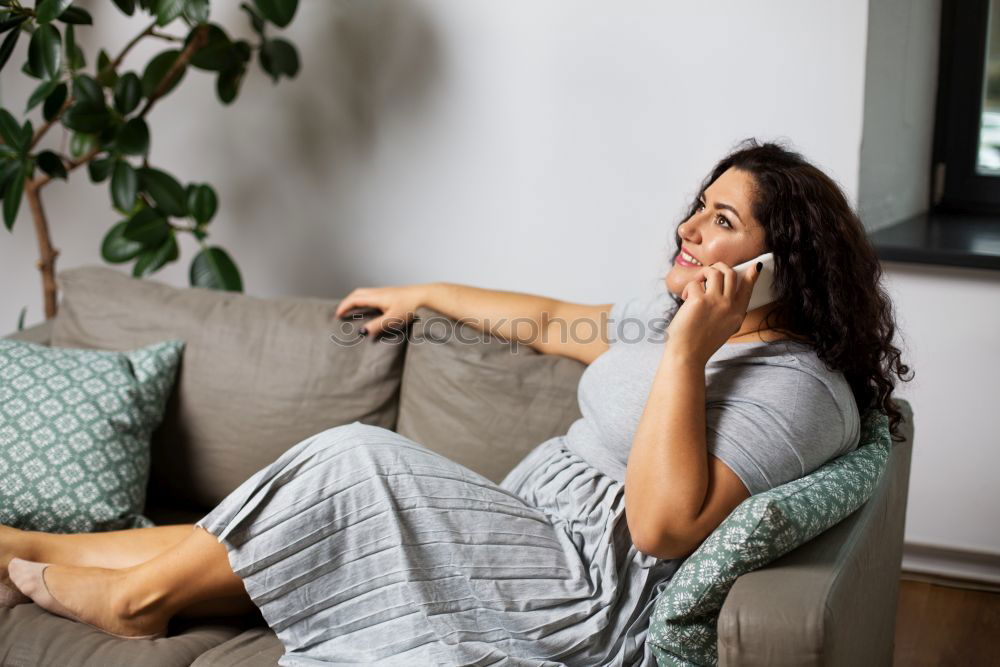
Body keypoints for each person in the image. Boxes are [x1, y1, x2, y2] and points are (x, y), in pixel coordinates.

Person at [1, 139, 912, 665]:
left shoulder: (799, 388)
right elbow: (557, 321)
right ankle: (28, 545)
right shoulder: (671, 309)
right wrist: (428, 293)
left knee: (352, 459)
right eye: (698, 207)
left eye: (723, 222)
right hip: (526, 522)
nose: (688, 229)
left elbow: (664, 530)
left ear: (781, 262)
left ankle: (138, 603)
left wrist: (688, 353)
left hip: (586, 588)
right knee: (294, 510)